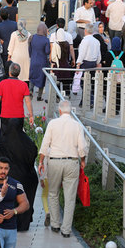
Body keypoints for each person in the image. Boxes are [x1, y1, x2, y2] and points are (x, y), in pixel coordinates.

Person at [38, 100, 88, 238]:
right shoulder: (77, 125)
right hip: (72, 162)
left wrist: (41, 161)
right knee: (70, 198)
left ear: (59, 111)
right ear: (70, 111)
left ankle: (55, 224)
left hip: (54, 161)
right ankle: (66, 230)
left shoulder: (53, 124)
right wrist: (82, 160)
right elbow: (82, 147)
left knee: (53, 193)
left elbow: (45, 143)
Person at [0, 121, 38, 231]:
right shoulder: (27, 140)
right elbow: (34, 153)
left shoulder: (4, 140)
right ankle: (24, 224)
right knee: (27, 199)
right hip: (29, 175)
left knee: (12, 201)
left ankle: (13, 222)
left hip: (13, 176)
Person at [0, 158, 30, 248]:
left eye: (6, 168)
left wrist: (14, 211)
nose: (3, 171)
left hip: (12, 228)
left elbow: (25, 204)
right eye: (0, 168)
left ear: (9, 169)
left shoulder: (16, 184)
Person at [0, 63, 34, 139]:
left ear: (9, 72)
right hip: (19, 116)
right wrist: (31, 115)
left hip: (5, 115)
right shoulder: (24, 85)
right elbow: (28, 101)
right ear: (19, 73)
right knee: (17, 138)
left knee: (4, 138)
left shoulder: (2, 83)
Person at [29, 23, 50, 100]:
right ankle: (39, 96)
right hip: (42, 61)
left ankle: (30, 91)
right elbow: (47, 51)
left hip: (33, 60)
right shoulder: (46, 40)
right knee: (42, 78)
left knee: (32, 76)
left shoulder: (32, 37)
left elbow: (29, 50)